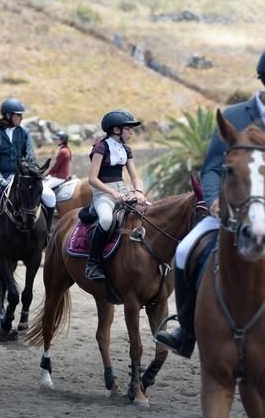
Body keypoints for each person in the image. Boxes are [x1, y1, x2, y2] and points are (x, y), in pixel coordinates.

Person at [155, 50, 265, 358]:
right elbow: (213, 166)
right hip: (233, 211)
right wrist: (214, 199)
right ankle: (185, 330)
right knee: (184, 249)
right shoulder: (233, 116)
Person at [0, 98, 55, 250]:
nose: (22, 118)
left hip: (23, 177)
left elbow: (30, 156)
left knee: (50, 197)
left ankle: (46, 235)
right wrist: (0, 179)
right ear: (9, 115)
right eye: (19, 115)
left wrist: (31, 173)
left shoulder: (24, 133)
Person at [86, 110, 146, 281]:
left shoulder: (126, 149)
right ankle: (93, 263)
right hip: (103, 193)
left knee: (148, 211)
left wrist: (138, 191)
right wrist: (112, 192)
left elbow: (135, 176)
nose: (132, 132)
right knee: (106, 219)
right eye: (128, 128)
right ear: (116, 130)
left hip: (124, 191)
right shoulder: (101, 147)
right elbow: (92, 179)